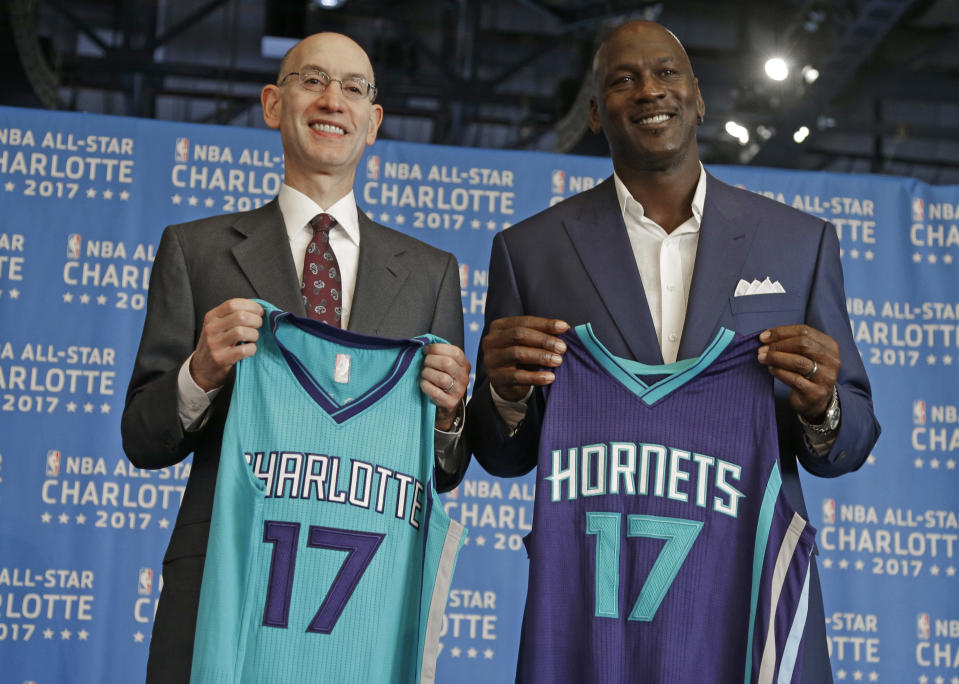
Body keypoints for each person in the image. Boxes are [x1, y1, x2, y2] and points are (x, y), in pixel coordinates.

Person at [466, 20, 879, 684]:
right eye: (621, 80)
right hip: (597, 622)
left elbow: (851, 442)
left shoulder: (798, 243)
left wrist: (824, 404)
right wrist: (503, 398)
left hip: (744, 611)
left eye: (665, 72)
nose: (648, 91)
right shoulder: (529, 251)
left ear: (697, 93)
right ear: (596, 112)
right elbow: (503, 453)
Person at [121, 32, 471, 683]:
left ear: (374, 123)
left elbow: (443, 471)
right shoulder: (195, 251)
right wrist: (199, 373)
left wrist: (449, 417)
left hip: (365, 599)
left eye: (354, 88)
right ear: (273, 104)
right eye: (312, 81)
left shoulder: (429, 274)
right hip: (224, 585)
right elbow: (142, 437)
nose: (332, 100)